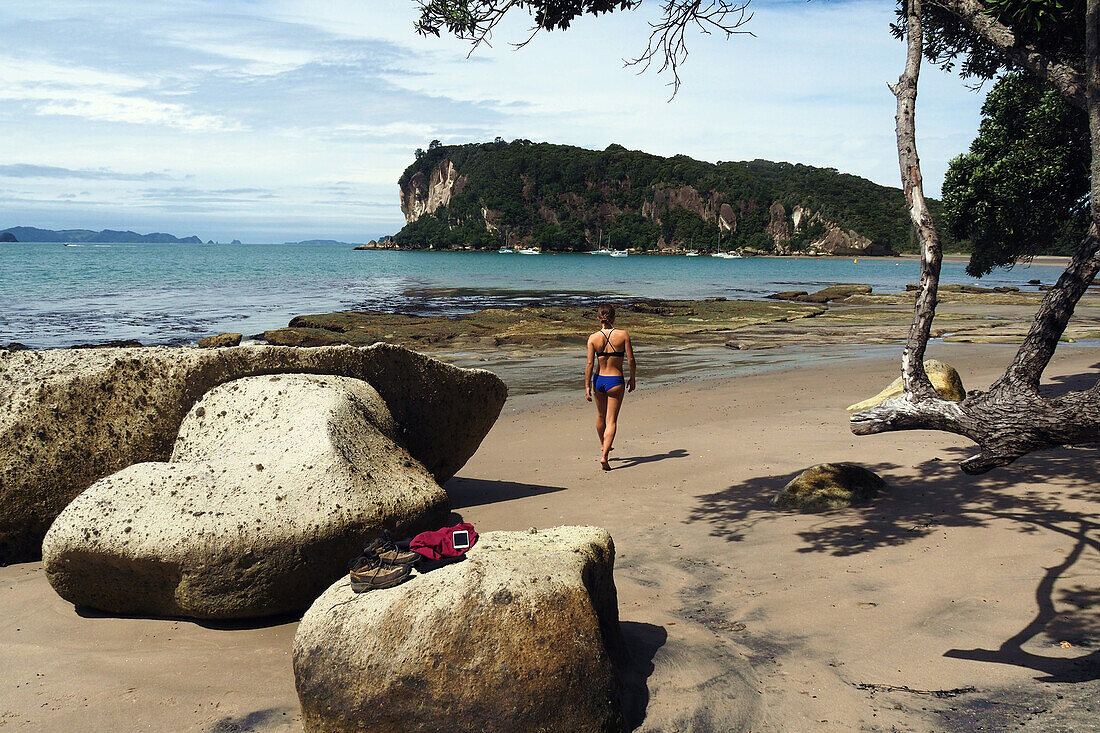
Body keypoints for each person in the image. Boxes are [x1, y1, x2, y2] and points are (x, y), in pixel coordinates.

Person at [585, 303, 636, 470]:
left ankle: (603, 444)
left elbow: (590, 364)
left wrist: (587, 386)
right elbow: (630, 360)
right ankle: (604, 455)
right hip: (615, 380)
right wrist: (633, 378)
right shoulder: (623, 335)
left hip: (598, 380)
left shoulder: (593, 338)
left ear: (598, 317)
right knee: (611, 419)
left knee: (600, 416)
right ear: (614, 317)